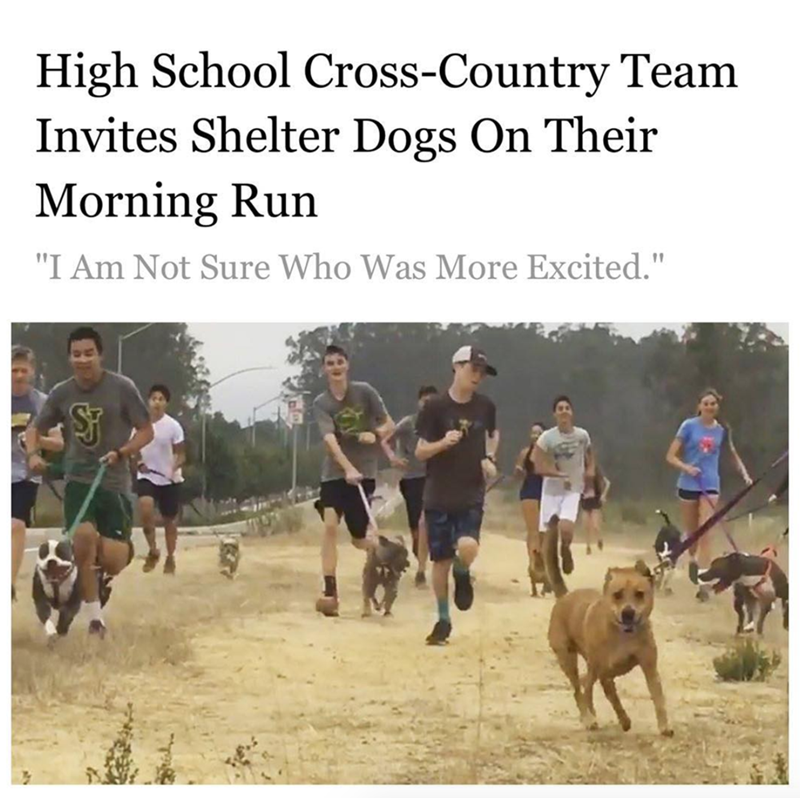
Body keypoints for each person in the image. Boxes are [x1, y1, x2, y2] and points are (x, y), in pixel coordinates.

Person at [26, 327, 153, 637]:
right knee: (82, 539)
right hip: (78, 481)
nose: (83, 360)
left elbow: (146, 430)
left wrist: (123, 452)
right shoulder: (61, 393)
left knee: (111, 560)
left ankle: (104, 566)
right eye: (76, 354)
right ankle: (96, 621)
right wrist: (32, 454)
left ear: (100, 355)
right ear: (70, 358)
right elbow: (34, 428)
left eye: (88, 353)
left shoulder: (122, 388)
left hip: (114, 483)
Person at [416, 345, 499, 645]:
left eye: (481, 372)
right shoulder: (435, 408)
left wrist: (489, 458)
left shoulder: (485, 406)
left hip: (470, 492)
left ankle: (463, 573)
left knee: (467, 547)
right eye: (472, 368)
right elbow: (420, 450)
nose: (477, 376)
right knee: (440, 561)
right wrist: (442, 443)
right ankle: (443, 619)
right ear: (456, 367)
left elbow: (493, 434)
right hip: (438, 494)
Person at [312, 345, 395, 617]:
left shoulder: (365, 392)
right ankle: (330, 590)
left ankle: (387, 556)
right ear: (324, 369)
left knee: (360, 539)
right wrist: (346, 468)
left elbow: (388, 424)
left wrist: (375, 433)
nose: (335, 367)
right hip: (335, 474)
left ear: (347, 365)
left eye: (339, 362)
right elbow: (330, 441)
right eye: (330, 363)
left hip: (365, 473)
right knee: (330, 526)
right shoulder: (321, 403)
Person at [666, 388, 751, 601]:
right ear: (699, 406)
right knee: (692, 535)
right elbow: (670, 456)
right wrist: (687, 468)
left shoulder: (721, 430)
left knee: (706, 533)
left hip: (710, 484)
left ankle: (703, 585)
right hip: (688, 482)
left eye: (713, 403)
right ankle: (692, 560)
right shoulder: (688, 426)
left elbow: (732, 455)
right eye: (706, 403)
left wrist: (745, 475)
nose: (710, 407)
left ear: (717, 406)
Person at [11, 345, 62, 602]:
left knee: (15, 525)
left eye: (23, 370)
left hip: (24, 474)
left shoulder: (41, 403)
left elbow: (59, 443)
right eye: (13, 370)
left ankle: (8, 582)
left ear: (32, 371)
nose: (18, 375)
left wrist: (35, 440)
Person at [384, 385, 438, 588]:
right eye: (425, 400)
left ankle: (424, 568)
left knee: (430, 522)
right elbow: (386, 440)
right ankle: (420, 560)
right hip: (413, 478)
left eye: (432, 400)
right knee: (417, 528)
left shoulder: (442, 423)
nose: (428, 404)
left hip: (435, 477)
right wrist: (394, 458)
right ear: (419, 402)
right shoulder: (408, 423)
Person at [533, 395, 594, 576]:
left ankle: (565, 549)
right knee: (546, 533)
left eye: (567, 408)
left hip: (573, 489)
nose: (564, 411)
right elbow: (538, 466)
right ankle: (544, 563)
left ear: (572, 412)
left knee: (566, 528)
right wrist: (558, 474)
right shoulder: (546, 438)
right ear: (555, 414)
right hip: (551, 490)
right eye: (560, 409)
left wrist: (590, 470)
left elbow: (590, 456)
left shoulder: (582, 435)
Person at [136, 384, 186, 575]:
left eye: (161, 399)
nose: (157, 403)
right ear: (148, 402)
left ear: (166, 403)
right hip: (147, 476)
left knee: (169, 521)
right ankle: (152, 549)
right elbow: (133, 450)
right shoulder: (140, 424)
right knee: (146, 508)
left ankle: (170, 557)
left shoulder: (173, 426)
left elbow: (181, 454)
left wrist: (174, 469)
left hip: (169, 479)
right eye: (154, 398)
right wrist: (139, 463)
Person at [514, 421, 547, 595]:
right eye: (533, 433)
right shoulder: (525, 453)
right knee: (533, 531)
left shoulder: (549, 454)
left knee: (545, 533)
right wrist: (519, 470)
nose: (535, 435)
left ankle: (543, 566)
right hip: (530, 491)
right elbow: (517, 474)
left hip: (547, 492)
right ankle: (534, 565)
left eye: (539, 433)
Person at [581, 462, 611, 554]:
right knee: (586, 526)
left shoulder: (596, 470)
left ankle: (599, 539)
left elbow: (607, 483)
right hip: (585, 500)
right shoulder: (580, 470)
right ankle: (588, 546)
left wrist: (603, 495)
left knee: (595, 525)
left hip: (595, 500)